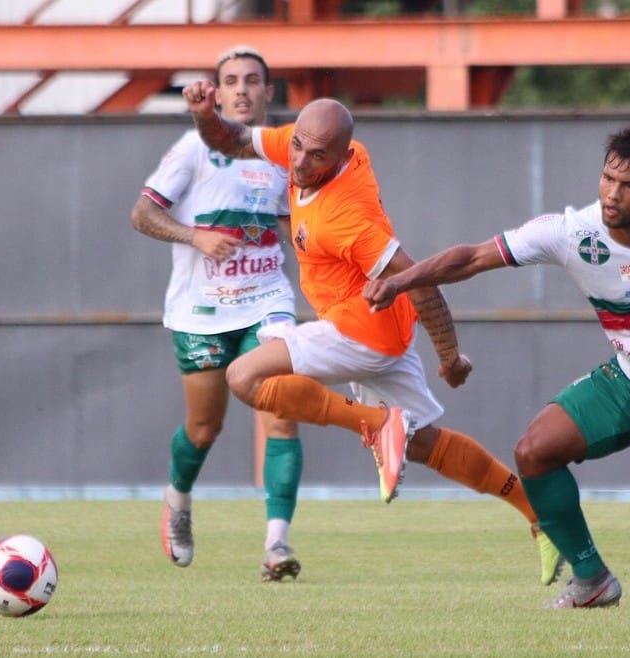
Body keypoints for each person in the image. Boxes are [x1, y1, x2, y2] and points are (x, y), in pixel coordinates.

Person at [363, 124, 630, 609]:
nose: (613, 194)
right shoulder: (572, 234)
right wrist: (400, 281)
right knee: (534, 451)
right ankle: (591, 578)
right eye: (607, 179)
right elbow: (470, 259)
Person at [180, 81, 565, 586]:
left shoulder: (347, 220)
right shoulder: (310, 147)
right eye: (297, 145)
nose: (298, 163)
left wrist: (449, 356)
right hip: (387, 331)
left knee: (244, 377)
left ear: (341, 158)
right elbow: (230, 140)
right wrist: (205, 113)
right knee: (427, 445)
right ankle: (540, 517)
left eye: (316, 156)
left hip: (358, 328)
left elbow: (422, 282)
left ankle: (377, 425)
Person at [131, 46, 304, 582]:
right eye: (231, 81)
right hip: (201, 311)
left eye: (253, 80)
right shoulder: (192, 149)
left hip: (266, 301)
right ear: (219, 90)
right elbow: (142, 214)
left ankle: (277, 544)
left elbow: (288, 229)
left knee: (281, 409)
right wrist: (193, 235)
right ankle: (178, 499)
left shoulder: (284, 152)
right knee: (205, 427)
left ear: (268, 92)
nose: (242, 90)